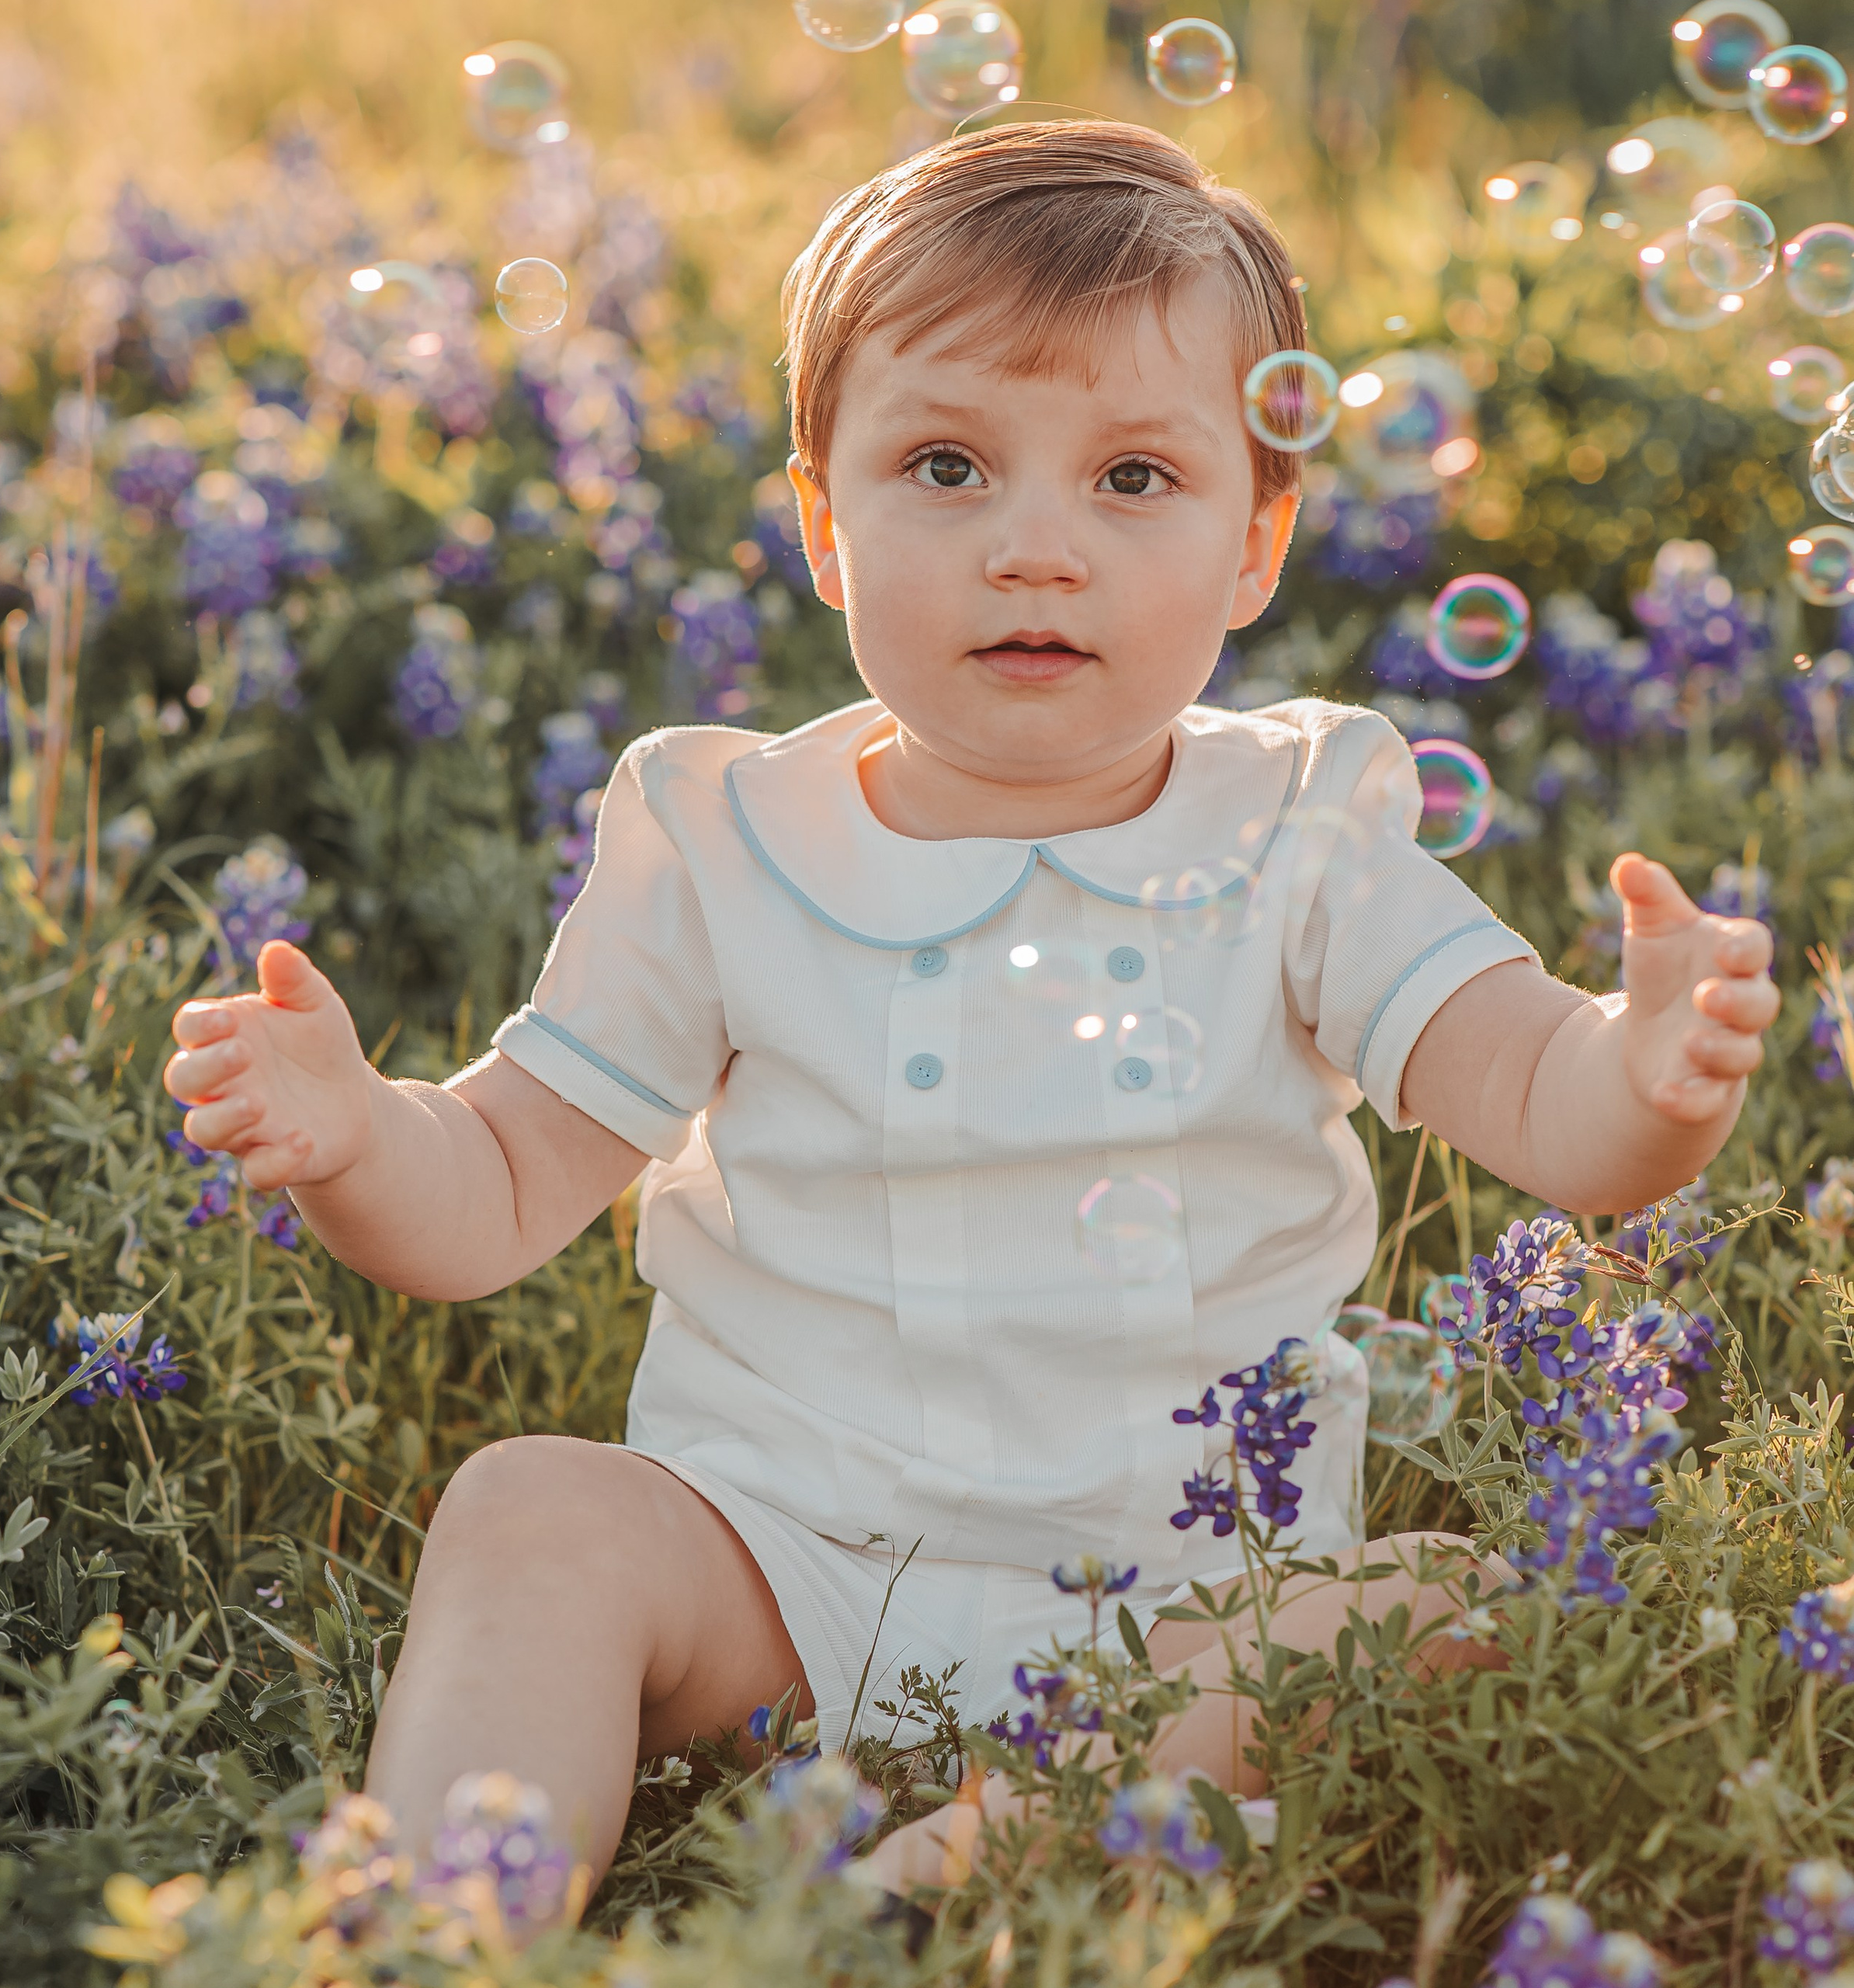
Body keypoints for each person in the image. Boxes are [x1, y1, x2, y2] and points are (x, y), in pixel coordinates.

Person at [162, 120, 1779, 1906]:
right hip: (780, 1564)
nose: (1032, 547)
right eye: (943, 464)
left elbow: (1535, 1091)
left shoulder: (1304, 827)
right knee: (532, 1509)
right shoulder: (715, 834)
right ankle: (441, 1919)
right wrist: (354, 1136)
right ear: (819, 525)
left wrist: (1643, 1075)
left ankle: (1008, 1835)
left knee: (1436, 1603)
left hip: (1196, 1592)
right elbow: (492, 1179)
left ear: (1259, 542)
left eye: (1133, 479)